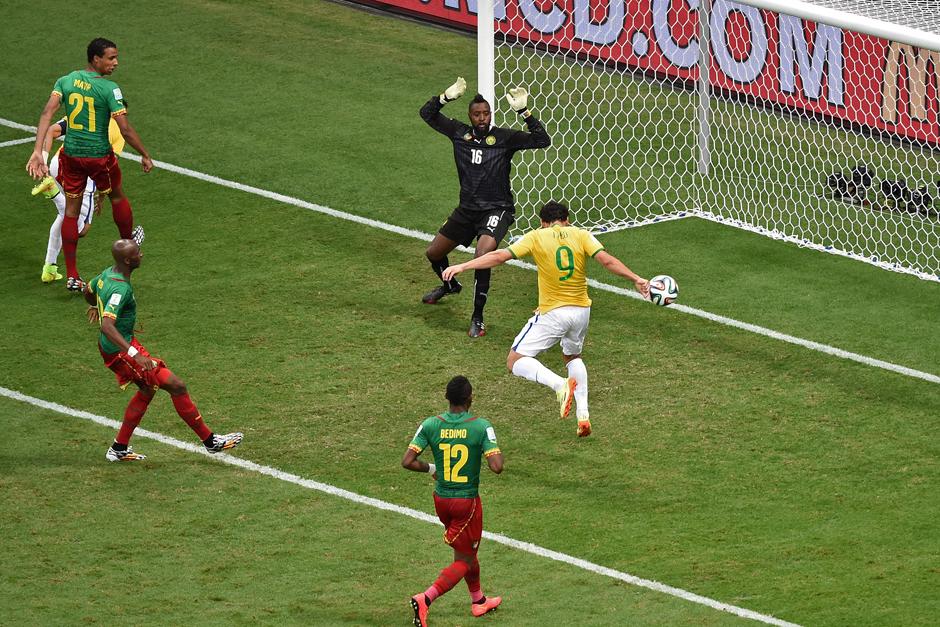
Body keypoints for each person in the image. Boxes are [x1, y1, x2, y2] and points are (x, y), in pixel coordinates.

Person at [443, 201, 650, 438]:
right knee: (572, 355)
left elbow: (499, 256)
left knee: (515, 360)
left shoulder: (536, 237)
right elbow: (607, 261)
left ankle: (560, 385)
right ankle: (583, 415)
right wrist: (635, 278)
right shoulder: (582, 235)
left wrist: (464, 265)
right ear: (567, 219)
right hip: (582, 311)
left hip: (554, 313)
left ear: (542, 222)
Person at [84, 239, 243, 462]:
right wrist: (135, 355)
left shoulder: (107, 274)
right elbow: (107, 326)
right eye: (138, 253)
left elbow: (88, 290)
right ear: (129, 261)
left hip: (121, 345)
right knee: (176, 386)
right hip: (122, 351)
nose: (142, 255)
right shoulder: (120, 288)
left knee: (148, 390)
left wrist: (94, 305)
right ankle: (210, 442)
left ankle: (119, 448)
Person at [419, 76, 550, 338]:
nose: (482, 118)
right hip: (467, 210)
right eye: (477, 114)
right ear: (470, 116)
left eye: (486, 113)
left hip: (497, 209)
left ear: (491, 115)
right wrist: (445, 97)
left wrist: (524, 111)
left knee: (482, 256)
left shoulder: (504, 138)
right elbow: (427, 114)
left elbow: (542, 140)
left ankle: (477, 318)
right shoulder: (458, 132)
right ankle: (450, 286)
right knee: (433, 254)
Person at [26, 37, 154, 292]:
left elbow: (46, 114)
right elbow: (125, 130)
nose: (116, 63)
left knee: (71, 213)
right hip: (98, 156)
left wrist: (37, 152)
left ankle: (72, 274)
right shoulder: (109, 89)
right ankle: (129, 244)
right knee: (117, 195)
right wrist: (145, 154)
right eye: (111, 58)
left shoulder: (65, 81)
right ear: (96, 59)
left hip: (70, 156)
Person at [402, 375, 504, 626]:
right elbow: (497, 466)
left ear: (447, 399)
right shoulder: (481, 426)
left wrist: (432, 469)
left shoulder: (430, 424)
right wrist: (487, 445)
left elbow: (408, 461)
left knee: (468, 550)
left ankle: (478, 601)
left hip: (441, 501)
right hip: (466, 503)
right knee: (465, 560)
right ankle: (425, 598)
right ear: (470, 399)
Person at [31, 116, 143, 283]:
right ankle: (53, 193)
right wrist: (103, 196)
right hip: (84, 171)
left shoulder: (83, 111)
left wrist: (44, 161)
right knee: (81, 227)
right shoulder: (119, 130)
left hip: (58, 162)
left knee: (64, 216)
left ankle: (50, 267)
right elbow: (108, 167)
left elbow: (51, 130)